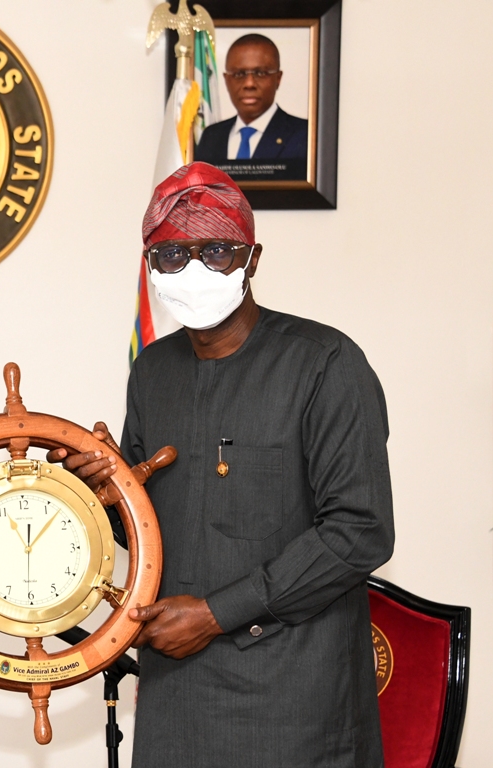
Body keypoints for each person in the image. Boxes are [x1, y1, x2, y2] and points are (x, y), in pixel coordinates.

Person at [51, 163, 394, 767]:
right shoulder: (154, 372)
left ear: (253, 258)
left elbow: (359, 533)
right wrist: (93, 495)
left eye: (217, 251)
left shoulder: (325, 364)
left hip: (295, 698)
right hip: (176, 694)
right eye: (172, 256)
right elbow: (146, 525)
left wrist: (215, 614)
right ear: (151, 267)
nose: (195, 271)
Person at [194, 33, 307, 164]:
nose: (249, 84)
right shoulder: (211, 137)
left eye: (260, 73)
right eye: (239, 74)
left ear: (278, 78)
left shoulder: (304, 135)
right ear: (226, 80)